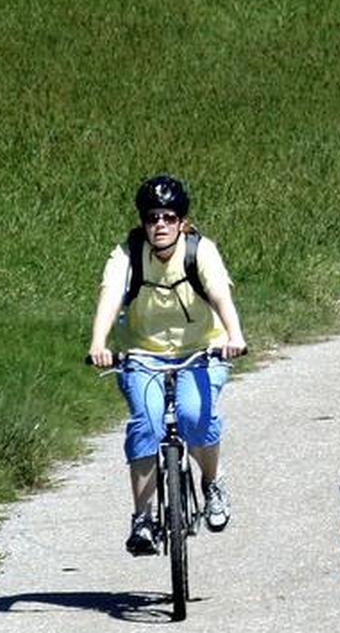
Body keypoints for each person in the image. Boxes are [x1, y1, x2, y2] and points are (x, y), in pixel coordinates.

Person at [88, 174, 247, 555]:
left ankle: (211, 482)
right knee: (146, 423)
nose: (160, 225)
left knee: (195, 417)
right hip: (142, 353)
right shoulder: (127, 253)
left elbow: (220, 295)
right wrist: (98, 343)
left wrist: (234, 336)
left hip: (203, 350)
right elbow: (111, 296)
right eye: (152, 217)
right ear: (143, 221)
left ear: (182, 221)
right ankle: (142, 518)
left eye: (169, 217)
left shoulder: (200, 251)